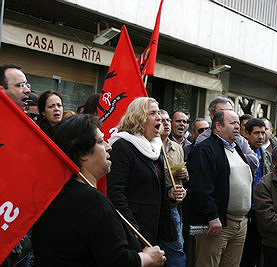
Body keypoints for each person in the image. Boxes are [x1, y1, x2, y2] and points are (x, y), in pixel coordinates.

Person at [31, 114, 166, 266]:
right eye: (101, 141)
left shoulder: (57, 193)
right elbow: (117, 261)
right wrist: (147, 257)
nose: (109, 146)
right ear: (83, 154)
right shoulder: (90, 201)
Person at [107, 97, 183, 246]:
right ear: (139, 118)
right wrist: (131, 228)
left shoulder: (155, 147)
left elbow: (153, 183)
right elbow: (116, 192)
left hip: (155, 227)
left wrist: (169, 192)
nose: (159, 117)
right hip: (133, 229)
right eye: (153, 113)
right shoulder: (122, 146)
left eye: (158, 113)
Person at [187, 110, 252, 267]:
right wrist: (211, 216)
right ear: (218, 126)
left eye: (238, 123)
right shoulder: (204, 149)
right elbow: (200, 187)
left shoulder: (236, 148)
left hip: (240, 223)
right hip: (217, 224)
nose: (238, 126)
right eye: (232, 123)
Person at [0, 64, 32, 267]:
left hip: (21, 225)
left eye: (27, 84)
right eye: (20, 85)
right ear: (2, 91)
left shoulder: (28, 127)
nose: (27, 90)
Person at [196, 96, 259, 173]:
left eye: (230, 110)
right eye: (222, 111)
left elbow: (254, 162)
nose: (228, 114)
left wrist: (235, 157)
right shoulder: (203, 139)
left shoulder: (239, 139)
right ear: (212, 115)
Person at [159, 109, 188, 267]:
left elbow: (185, 176)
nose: (165, 124)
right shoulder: (150, 146)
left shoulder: (177, 148)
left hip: (175, 203)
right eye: (161, 120)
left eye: (167, 120)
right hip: (157, 202)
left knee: (176, 247)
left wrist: (184, 173)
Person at [241, 118, 268, 267]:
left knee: (257, 255)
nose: (261, 137)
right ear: (246, 133)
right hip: (244, 211)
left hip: (260, 211)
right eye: (257, 133)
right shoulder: (240, 154)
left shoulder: (267, 156)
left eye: (263, 133)